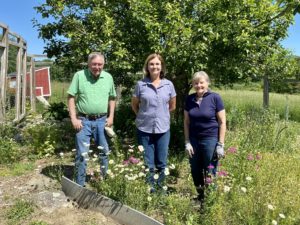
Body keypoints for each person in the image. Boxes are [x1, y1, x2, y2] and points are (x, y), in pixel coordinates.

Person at [67, 52, 116, 187]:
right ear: (88, 64)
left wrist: (111, 116)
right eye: (94, 64)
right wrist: (74, 119)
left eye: (100, 64)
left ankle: (105, 182)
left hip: (103, 120)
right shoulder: (79, 76)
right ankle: (80, 185)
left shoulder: (108, 77)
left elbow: (112, 98)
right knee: (82, 154)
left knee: (104, 152)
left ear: (103, 64)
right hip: (83, 120)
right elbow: (71, 97)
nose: (97, 67)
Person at [131, 53, 176, 193]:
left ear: (161, 66)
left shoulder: (169, 85)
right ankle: (150, 189)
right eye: (151, 64)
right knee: (148, 162)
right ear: (147, 67)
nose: (154, 66)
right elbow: (134, 105)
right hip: (144, 129)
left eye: (157, 64)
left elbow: (172, 106)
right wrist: (143, 116)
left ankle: (160, 189)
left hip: (163, 129)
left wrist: (162, 116)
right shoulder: (140, 85)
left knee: (162, 162)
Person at [184, 71, 226, 201]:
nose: (198, 85)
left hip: (210, 139)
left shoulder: (215, 97)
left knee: (210, 169)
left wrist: (220, 144)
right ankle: (200, 195)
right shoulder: (189, 99)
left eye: (201, 82)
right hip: (194, 140)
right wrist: (187, 142)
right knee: (195, 169)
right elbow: (186, 122)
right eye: (196, 83)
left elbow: (222, 122)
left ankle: (210, 199)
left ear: (207, 83)